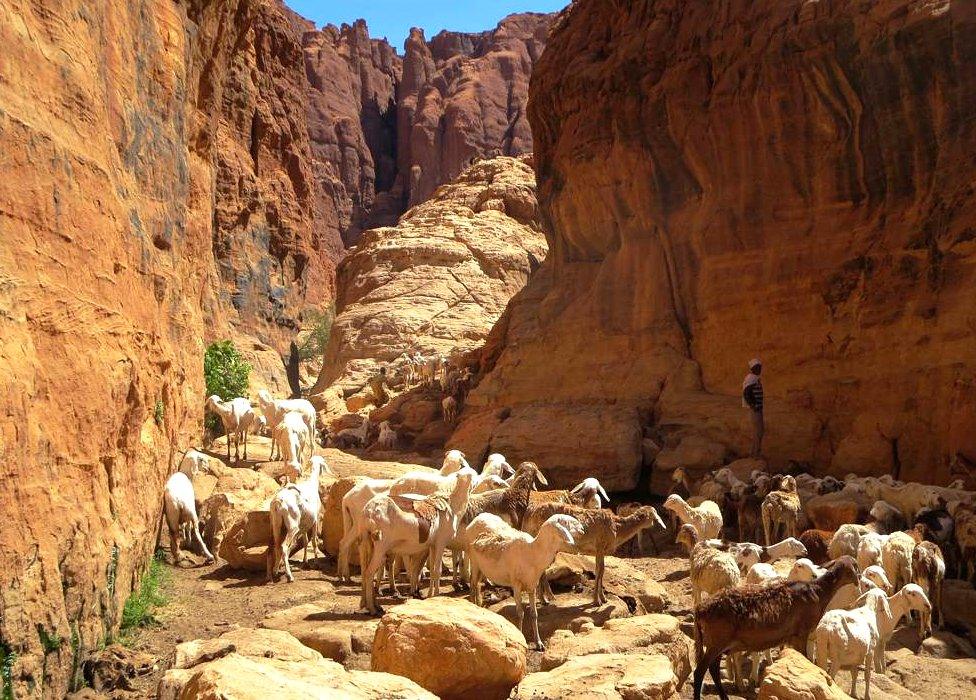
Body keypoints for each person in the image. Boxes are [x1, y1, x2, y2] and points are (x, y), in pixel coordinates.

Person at [742, 358, 764, 459]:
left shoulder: (754, 378)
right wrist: (753, 405)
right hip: (756, 409)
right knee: (758, 431)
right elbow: (746, 393)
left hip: (757, 408)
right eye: (758, 367)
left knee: (759, 431)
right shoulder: (751, 378)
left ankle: (755, 453)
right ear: (753, 368)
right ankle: (755, 454)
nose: (760, 369)